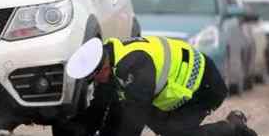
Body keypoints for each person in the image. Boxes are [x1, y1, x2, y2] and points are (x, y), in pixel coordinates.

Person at [66, 36, 259, 136]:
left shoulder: (134, 65)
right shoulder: (111, 58)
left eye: (95, 78)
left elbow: (132, 123)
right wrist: (75, 128)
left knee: (174, 134)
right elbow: (101, 107)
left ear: (103, 67)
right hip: (177, 93)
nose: (96, 83)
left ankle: (233, 128)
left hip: (205, 88)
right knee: (126, 108)